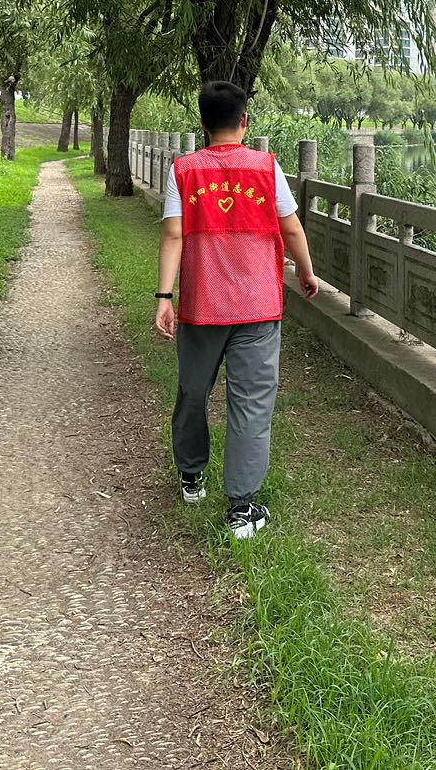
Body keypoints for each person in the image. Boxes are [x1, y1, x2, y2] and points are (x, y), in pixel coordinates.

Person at [155, 81, 318, 539]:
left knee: (193, 391)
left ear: (202, 122)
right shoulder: (266, 167)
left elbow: (173, 234)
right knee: (251, 404)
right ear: (244, 121)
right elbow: (291, 228)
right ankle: (242, 509)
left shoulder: (184, 170)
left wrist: (164, 297)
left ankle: (191, 475)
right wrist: (307, 272)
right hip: (258, 307)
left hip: (202, 305)